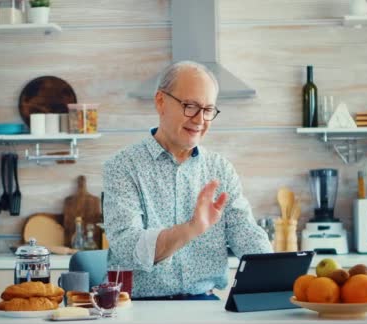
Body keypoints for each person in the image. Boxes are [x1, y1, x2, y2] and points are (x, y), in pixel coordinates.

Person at [102, 61, 273, 300]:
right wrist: (191, 228)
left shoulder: (220, 169)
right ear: (160, 101)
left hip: (204, 303)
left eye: (208, 109)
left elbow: (245, 232)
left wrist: (278, 273)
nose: (200, 119)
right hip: (139, 307)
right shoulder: (122, 167)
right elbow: (128, 246)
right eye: (190, 106)